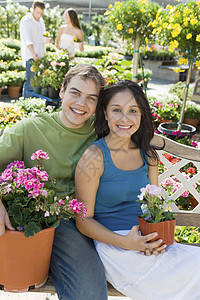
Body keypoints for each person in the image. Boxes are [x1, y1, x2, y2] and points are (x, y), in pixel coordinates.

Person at [75, 80, 200, 300]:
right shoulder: (94, 158)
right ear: (105, 113)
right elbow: (83, 221)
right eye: (117, 110)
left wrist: (158, 240)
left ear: (142, 115)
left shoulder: (148, 156)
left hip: (148, 242)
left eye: (133, 111)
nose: (125, 118)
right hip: (116, 248)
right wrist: (126, 242)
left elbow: (154, 209)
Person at [0, 64, 107, 300]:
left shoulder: (100, 134)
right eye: (75, 93)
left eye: (91, 98)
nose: (81, 103)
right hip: (36, 216)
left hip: (76, 221)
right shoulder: (30, 129)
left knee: (90, 293)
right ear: (61, 91)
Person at [20, 0, 47, 98]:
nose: (39, 15)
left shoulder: (41, 21)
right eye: (38, 12)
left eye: (41, 13)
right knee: (30, 83)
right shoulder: (26, 20)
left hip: (40, 56)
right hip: (31, 56)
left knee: (38, 84)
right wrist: (33, 53)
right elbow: (27, 39)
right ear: (33, 8)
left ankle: (34, 105)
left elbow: (42, 37)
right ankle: (26, 105)